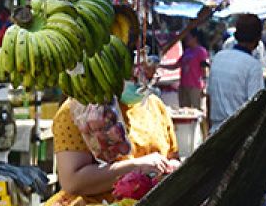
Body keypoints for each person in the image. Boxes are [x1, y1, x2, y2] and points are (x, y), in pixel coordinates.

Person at [51, 83, 181, 199]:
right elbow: (72, 182)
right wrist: (136, 167)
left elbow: (172, 156)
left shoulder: (154, 105)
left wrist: (173, 167)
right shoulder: (77, 112)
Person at [208, 13, 266, 132]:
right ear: (258, 38)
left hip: (215, 131)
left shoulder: (218, 57)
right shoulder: (253, 66)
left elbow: (209, 98)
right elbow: (255, 107)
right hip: (238, 134)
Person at [160, 29, 210, 109]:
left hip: (195, 86)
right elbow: (176, 66)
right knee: (184, 109)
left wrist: (204, 85)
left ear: (195, 38)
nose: (186, 39)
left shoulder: (201, 51)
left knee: (196, 109)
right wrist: (160, 66)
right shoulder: (187, 51)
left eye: (189, 37)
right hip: (183, 85)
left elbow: (204, 68)